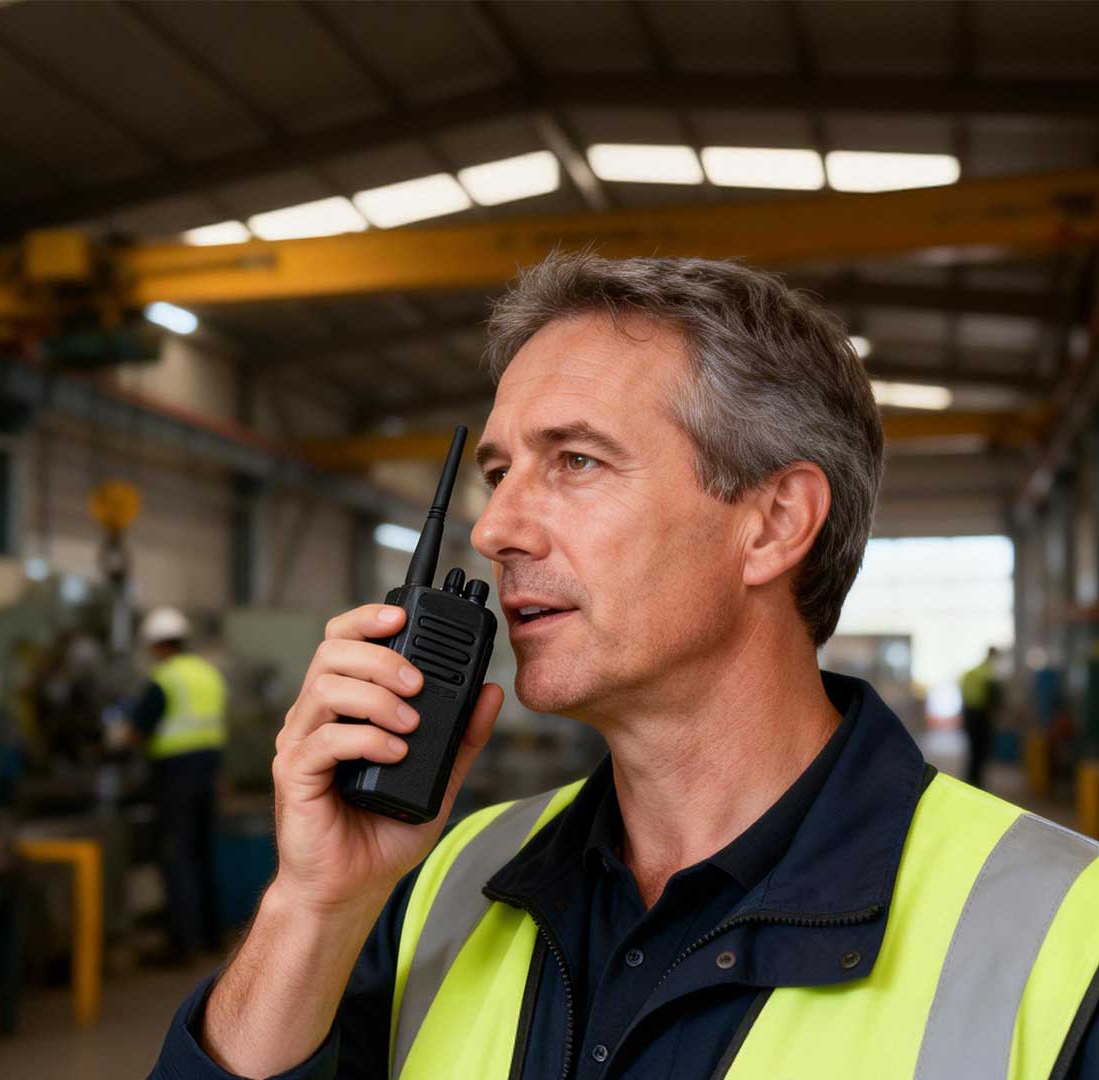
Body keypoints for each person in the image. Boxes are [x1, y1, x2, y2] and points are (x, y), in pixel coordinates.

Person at [151, 253, 1099, 1079]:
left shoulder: (1060, 935)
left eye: (575, 461)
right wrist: (313, 906)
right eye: (496, 471)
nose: (494, 529)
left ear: (772, 523)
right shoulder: (446, 883)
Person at [121, 605, 229, 966]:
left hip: (174, 775)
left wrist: (118, 742)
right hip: (208, 771)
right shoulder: (207, 673)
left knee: (176, 854)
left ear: (157, 645)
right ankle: (212, 937)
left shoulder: (165, 678)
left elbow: (139, 731)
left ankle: (182, 944)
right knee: (204, 851)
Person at [960, 646, 1003, 788]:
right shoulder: (989, 672)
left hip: (969, 712)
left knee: (974, 748)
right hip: (980, 714)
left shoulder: (974, 671)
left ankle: (972, 778)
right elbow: (994, 697)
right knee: (982, 748)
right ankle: (977, 780)